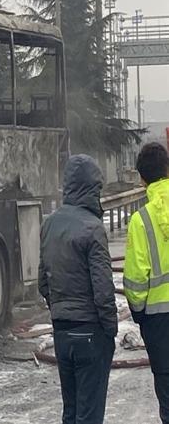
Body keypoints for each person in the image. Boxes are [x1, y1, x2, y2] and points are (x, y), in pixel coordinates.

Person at [38, 154, 117, 424]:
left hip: (62, 331)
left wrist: (59, 311)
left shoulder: (49, 224)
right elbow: (103, 289)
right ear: (91, 188)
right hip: (91, 331)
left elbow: (43, 282)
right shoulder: (93, 228)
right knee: (89, 414)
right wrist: (110, 330)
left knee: (70, 412)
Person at [124, 142, 169, 424]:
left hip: (159, 326)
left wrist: (140, 314)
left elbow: (136, 282)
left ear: (142, 179)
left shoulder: (140, 221)